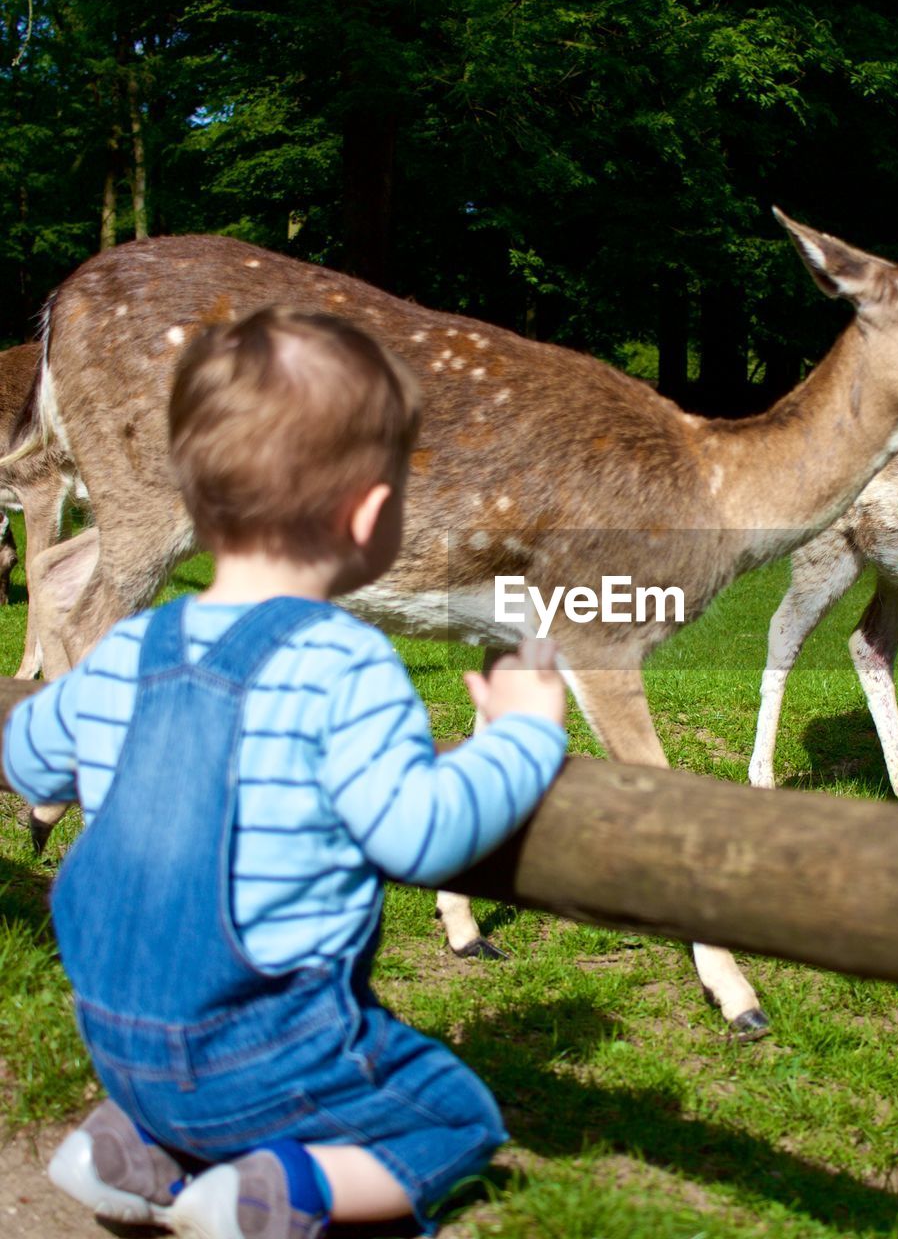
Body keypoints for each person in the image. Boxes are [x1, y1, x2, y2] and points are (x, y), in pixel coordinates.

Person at [4, 307, 567, 1239]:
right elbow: (419, 834)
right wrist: (523, 739)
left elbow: (29, 759)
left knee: (187, 1078)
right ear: (372, 516)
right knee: (456, 1119)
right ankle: (273, 1199)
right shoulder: (345, 667)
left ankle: (128, 1153)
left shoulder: (127, 650)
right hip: (264, 1052)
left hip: (115, 1034)